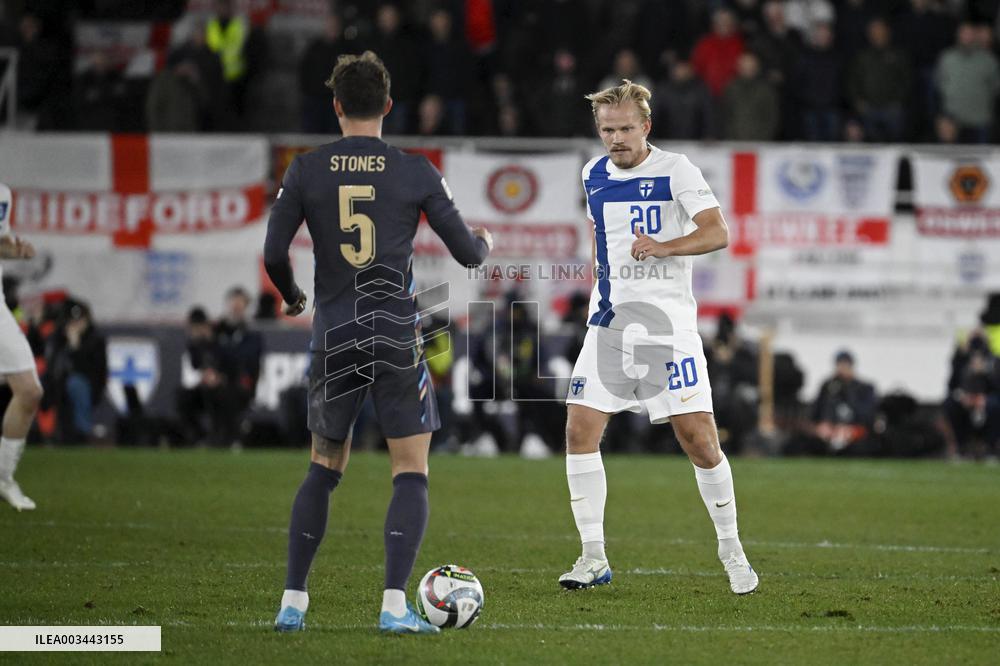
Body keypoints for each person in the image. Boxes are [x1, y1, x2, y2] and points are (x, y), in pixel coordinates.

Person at [263, 51, 493, 634]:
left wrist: (292, 295)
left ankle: (293, 603)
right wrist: (484, 242)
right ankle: (394, 608)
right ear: (389, 105)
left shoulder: (304, 168)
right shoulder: (414, 169)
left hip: (334, 331)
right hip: (393, 332)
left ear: (336, 106)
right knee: (410, 472)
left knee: (322, 467)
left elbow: (272, 255)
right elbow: (467, 253)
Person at [558, 80, 758, 595]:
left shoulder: (677, 170)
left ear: (646, 126)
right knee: (579, 430)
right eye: (607, 130)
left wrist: (666, 247)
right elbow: (606, 244)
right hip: (610, 325)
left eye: (625, 128)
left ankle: (732, 550)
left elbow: (718, 232)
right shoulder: (593, 174)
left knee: (700, 443)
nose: (616, 138)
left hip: (669, 328)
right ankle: (592, 556)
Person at [0, 183, 43, 510]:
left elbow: (2, 242)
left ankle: (4, 477)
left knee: (29, 390)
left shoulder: (2, 194)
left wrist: (16, 251)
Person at [935, 22, 1000, 144]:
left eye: (970, 34)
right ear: (958, 35)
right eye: (964, 33)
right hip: (954, 120)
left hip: (980, 119)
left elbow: (995, 88)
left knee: (981, 159)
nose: (967, 37)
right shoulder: (947, 58)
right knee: (954, 159)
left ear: (976, 36)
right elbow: (940, 84)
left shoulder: (989, 60)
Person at [811, 351, 878, 454]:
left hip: (854, 430)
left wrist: (850, 427)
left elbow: (867, 415)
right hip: (831, 430)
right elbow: (818, 410)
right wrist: (824, 423)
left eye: (845, 364)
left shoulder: (864, 388)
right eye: (840, 364)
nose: (842, 368)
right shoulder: (828, 386)